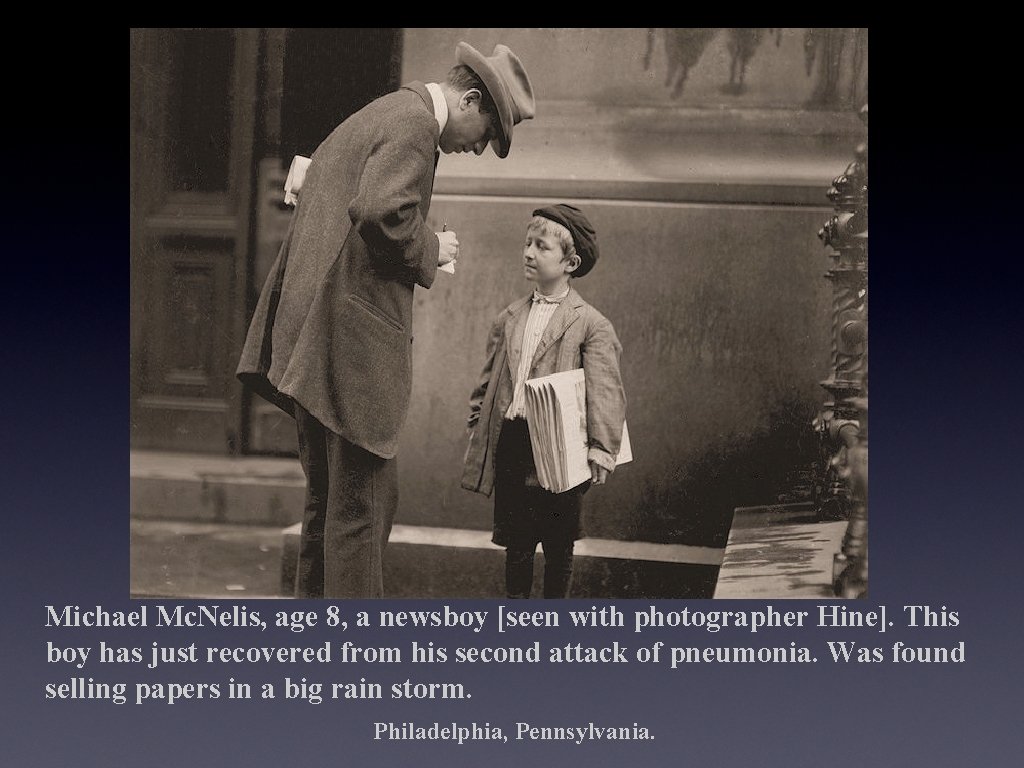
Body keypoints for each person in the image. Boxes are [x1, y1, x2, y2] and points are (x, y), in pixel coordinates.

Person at [236, 43, 536, 599]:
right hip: (349, 353)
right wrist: (432, 248)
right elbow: (381, 210)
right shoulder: (417, 126)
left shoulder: (381, 112)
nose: (478, 150)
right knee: (363, 513)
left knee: (328, 508)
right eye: (487, 135)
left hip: (307, 345)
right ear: (470, 100)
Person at [461, 204, 627, 598]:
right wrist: (478, 424)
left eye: (541, 246)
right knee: (517, 544)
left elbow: (605, 389)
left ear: (571, 262)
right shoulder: (510, 317)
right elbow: (489, 380)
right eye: (526, 243)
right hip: (514, 443)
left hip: (561, 447)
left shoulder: (589, 324)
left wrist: (602, 449)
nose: (529, 253)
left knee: (558, 544)